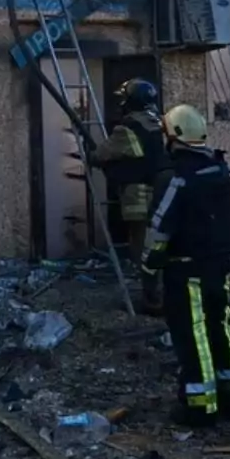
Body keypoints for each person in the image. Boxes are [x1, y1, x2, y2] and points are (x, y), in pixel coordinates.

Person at [141, 104, 230, 427]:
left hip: (186, 270)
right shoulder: (220, 171)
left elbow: (160, 227)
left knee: (193, 334)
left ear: (174, 136)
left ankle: (200, 406)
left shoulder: (179, 178)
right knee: (220, 326)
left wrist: (149, 263)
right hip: (219, 265)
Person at [87, 78, 166, 314]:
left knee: (141, 246)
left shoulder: (129, 128)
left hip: (139, 194)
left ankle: (152, 299)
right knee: (161, 244)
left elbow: (102, 154)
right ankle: (164, 293)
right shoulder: (161, 122)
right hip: (165, 192)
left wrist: (89, 154)